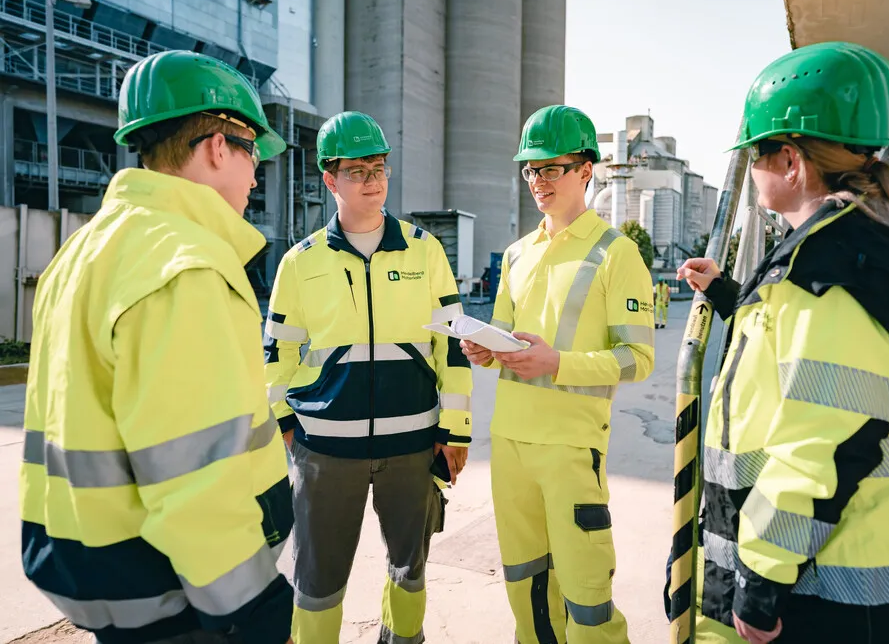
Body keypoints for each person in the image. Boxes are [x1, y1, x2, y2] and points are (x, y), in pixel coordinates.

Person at [675, 42, 889, 643]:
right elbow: (800, 353)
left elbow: (820, 443)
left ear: (790, 162)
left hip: (837, 593)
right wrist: (729, 293)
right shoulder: (855, 247)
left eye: (757, 152)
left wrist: (760, 583)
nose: (751, 167)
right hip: (874, 582)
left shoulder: (831, 272)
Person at [20, 50, 295, 643]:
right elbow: (194, 471)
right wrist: (251, 605)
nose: (255, 176)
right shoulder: (185, 266)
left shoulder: (84, 252)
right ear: (220, 147)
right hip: (179, 595)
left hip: (98, 572)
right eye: (253, 156)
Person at [264, 111, 473, 644]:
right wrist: (285, 425)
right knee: (317, 578)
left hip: (412, 445)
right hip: (326, 451)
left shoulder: (426, 251)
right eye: (357, 171)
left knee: (411, 569)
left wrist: (456, 429)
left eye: (379, 167)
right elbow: (276, 357)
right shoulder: (300, 263)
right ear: (329, 180)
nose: (373, 180)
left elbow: (450, 346)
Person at [462, 104, 656, 644]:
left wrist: (558, 362)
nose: (538, 181)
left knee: (586, 596)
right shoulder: (517, 254)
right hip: (510, 443)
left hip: (571, 447)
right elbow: (503, 332)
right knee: (526, 589)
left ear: (586, 170)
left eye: (551, 168)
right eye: (530, 169)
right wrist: (485, 350)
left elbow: (637, 358)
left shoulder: (616, 254)